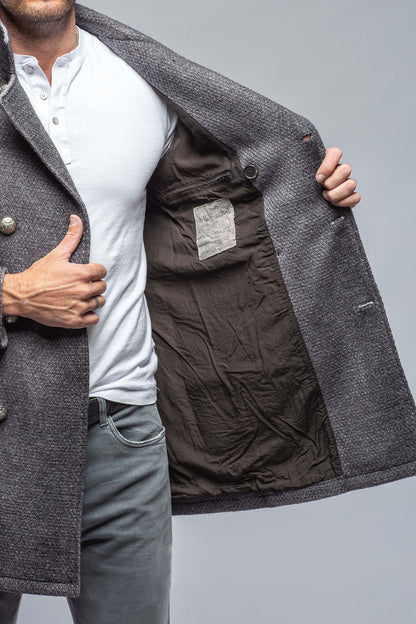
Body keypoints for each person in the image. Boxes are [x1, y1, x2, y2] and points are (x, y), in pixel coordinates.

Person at [3, 1, 401, 623]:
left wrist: (305, 188)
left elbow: (218, 195)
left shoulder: (138, 79)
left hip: (123, 430)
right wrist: (11, 295)